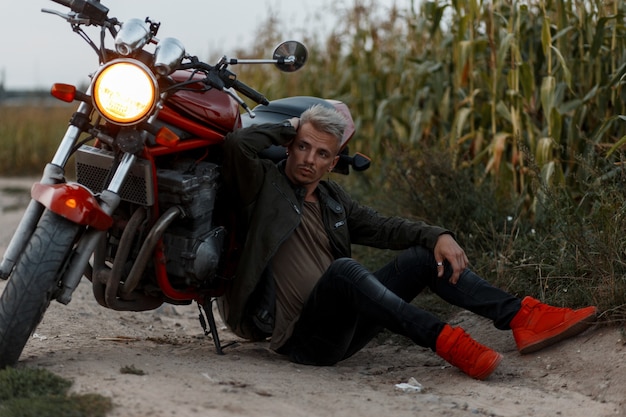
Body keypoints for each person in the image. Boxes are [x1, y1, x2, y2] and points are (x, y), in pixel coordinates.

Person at [219, 103, 598, 380]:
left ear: (333, 163)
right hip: (304, 341)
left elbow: (386, 227)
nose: (309, 159)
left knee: (421, 257)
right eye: (303, 146)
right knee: (343, 271)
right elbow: (237, 144)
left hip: (345, 329)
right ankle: (448, 342)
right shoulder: (264, 186)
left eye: (322, 153)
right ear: (289, 146)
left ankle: (522, 317)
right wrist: (295, 124)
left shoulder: (335, 200)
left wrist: (439, 235)